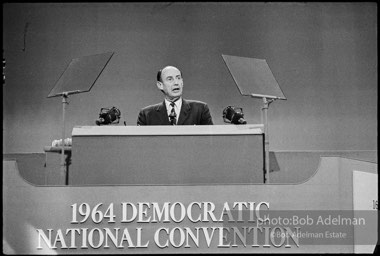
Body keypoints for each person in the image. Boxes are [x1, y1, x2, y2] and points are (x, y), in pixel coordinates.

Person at [137, 66, 213, 125]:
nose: (176, 82)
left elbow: (211, 141)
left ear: (182, 82)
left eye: (178, 78)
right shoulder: (147, 115)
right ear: (160, 85)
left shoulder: (200, 110)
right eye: (170, 79)